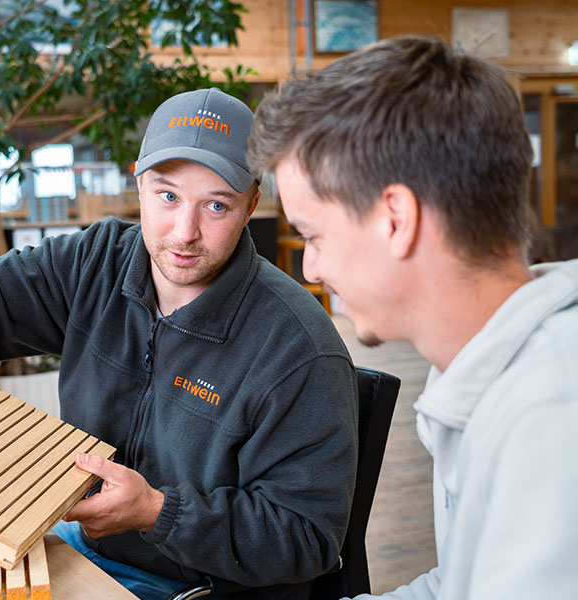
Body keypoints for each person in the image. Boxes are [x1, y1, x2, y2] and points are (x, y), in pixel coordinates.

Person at [0, 87, 359, 599]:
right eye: (167, 195)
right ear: (138, 179)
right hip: (79, 547)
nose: (185, 232)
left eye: (216, 205)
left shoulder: (298, 349)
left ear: (252, 203)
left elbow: (307, 537)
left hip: (195, 587)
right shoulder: (97, 261)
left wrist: (156, 513)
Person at [248, 35, 578, 600]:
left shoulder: (549, 417)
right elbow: (462, 586)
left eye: (313, 235)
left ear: (396, 219)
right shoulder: (469, 366)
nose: (310, 268)